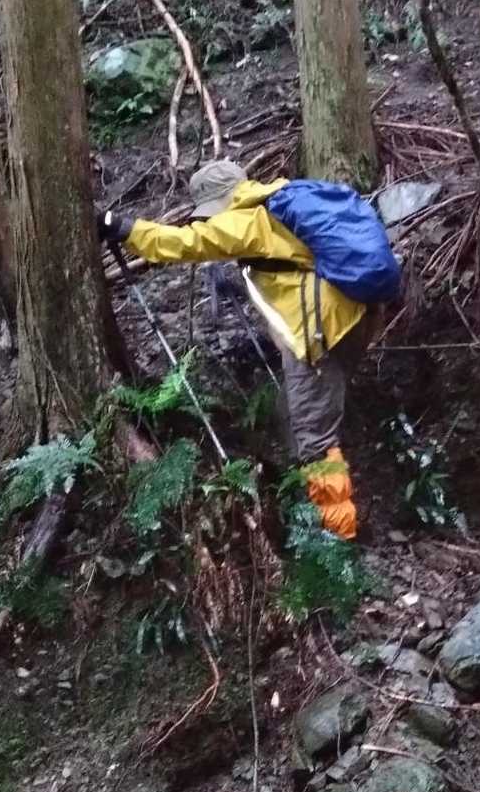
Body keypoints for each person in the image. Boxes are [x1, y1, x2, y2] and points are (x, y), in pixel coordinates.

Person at [100, 160, 368, 540]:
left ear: (221, 199)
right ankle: (309, 496)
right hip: (351, 313)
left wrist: (124, 228)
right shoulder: (274, 202)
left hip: (316, 330)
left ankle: (338, 537)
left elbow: (186, 243)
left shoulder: (246, 218)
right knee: (301, 411)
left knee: (315, 437)